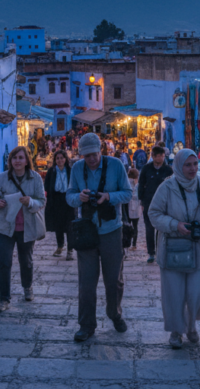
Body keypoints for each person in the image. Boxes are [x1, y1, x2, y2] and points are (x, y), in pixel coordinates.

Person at [148, 149, 200, 349]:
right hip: (174, 250)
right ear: (179, 166)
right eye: (187, 165)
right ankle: (176, 331)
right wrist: (174, 225)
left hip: (199, 249)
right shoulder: (167, 187)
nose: (192, 169)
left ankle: (191, 325)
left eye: (195, 164)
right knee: (174, 294)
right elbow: (154, 213)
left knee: (196, 293)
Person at [66, 133, 133, 342]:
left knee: (114, 280)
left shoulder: (115, 165)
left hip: (112, 230)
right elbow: (69, 196)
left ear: (100, 151)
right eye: (87, 156)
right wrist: (80, 197)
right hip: (87, 231)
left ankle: (115, 313)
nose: (92, 159)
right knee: (86, 282)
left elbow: (128, 193)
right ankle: (86, 325)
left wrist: (108, 197)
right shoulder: (77, 169)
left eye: (94, 155)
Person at [0, 146, 46, 312]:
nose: (17, 161)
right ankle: (4, 298)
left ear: (27, 160)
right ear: (10, 160)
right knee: (4, 262)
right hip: (5, 226)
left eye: (21, 158)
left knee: (26, 261)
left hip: (26, 227)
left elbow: (42, 201)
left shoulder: (35, 178)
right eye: (14, 158)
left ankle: (27, 286)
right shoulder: (2, 177)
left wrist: (30, 202)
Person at [137, 146, 173, 263]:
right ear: (153, 156)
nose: (161, 158)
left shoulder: (168, 170)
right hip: (149, 201)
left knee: (162, 227)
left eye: (163, 156)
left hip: (164, 202)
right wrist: (141, 200)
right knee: (149, 227)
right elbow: (141, 184)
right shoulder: (146, 169)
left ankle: (161, 251)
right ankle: (151, 252)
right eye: (159, 156)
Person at [45, 150, 75, 260]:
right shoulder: (51, 172)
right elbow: (47, 186)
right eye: (57, 158)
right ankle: (60, 246)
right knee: (58, 225)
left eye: (62, 158)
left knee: (69, 226)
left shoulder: (70, 171)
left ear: (65, 159)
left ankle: (70, 249)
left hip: (68, 201)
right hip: (56, 201)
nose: (60, 160)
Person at [124, 167, 141, 252]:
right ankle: (133, 244)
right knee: (135, 227)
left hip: (128, 207)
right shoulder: (137, 183)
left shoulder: (127, 182)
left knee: (127, 226)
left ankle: (128, 243)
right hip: (136, 208)